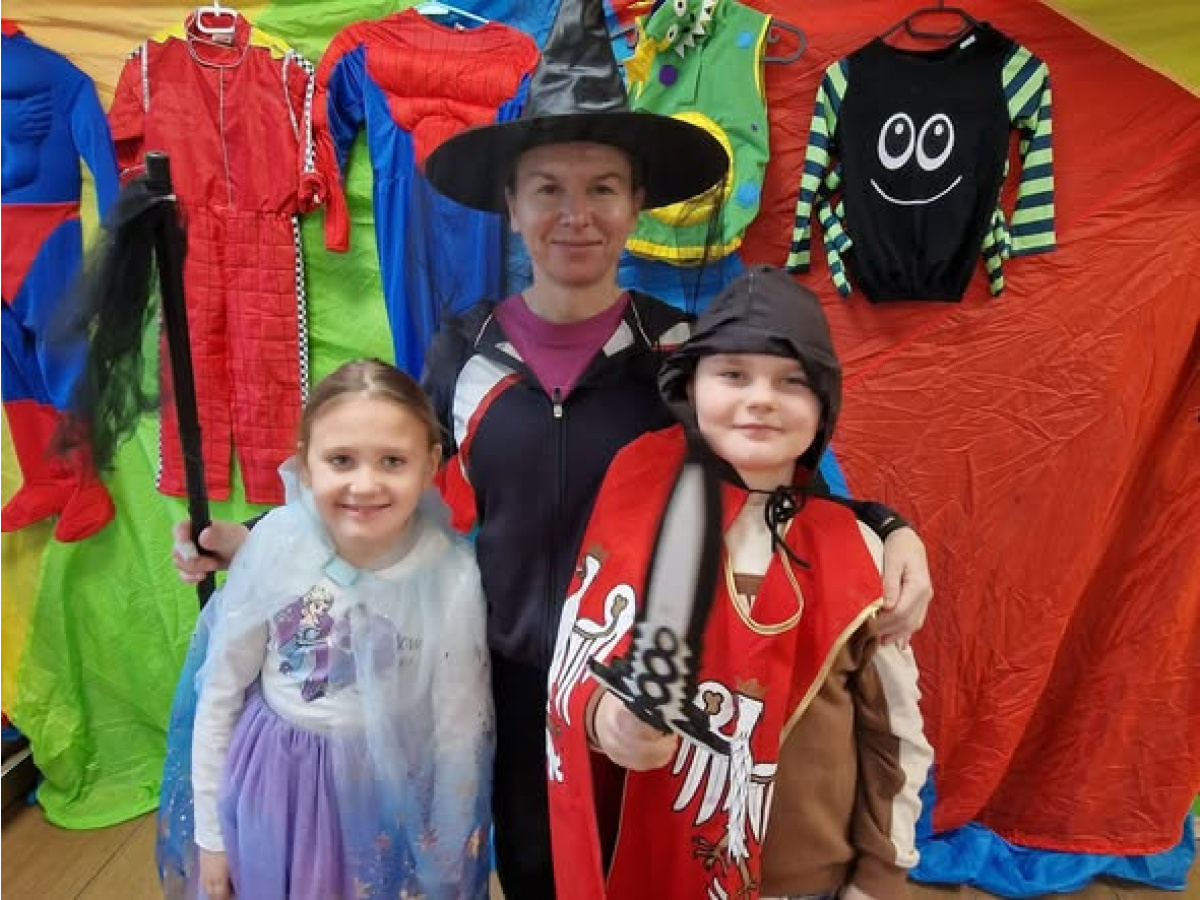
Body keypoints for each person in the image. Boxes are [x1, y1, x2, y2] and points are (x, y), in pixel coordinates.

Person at [172, 1, 933, 895]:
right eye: (548, 190)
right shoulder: (463, 351)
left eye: (603, 188)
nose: (576, 215)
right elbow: (389, 485)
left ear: (637, 202)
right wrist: (260, 536)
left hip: (652, 682)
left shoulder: (683, 356)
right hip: (500, 673)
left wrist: (888, 528)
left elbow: (780, 485)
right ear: (511, 203)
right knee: (535, 871)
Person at [546, 265, 935, 899]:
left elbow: (894, 737)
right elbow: (579, 653)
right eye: (732, 374)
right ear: (689, 385)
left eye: (792, 381)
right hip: (656, 865)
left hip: (805, 881)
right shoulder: (636, 496)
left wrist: (879, 881)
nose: (761, 399)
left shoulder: (862, 554)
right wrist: (604, 718)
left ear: (824, 405)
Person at [157, 359, 493, 900]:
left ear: (431, 464)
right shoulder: (275, 544)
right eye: (341, 460)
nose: (365, 484)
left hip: (386, 799)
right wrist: (213, 837)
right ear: (306, 464)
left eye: (392, 460)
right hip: (274, 787)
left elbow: (459, 728)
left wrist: (449, 854)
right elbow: (221, 692)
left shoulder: (451, 575)